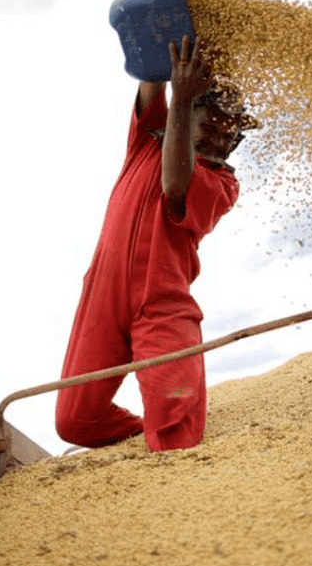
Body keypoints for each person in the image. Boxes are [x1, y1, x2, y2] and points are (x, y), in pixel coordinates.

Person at [54, 32, 258, 452]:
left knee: (176, 435)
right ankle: (144, 432)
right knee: (74, 421)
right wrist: (174, 34)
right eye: (211, 124)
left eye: (229, 133)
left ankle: (166, 437)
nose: (219, 137)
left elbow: (175, 184)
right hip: (102, 294)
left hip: (162, 303)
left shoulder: (224, 183)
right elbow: (151, 76)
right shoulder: (149, 138)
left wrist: (184, 98)